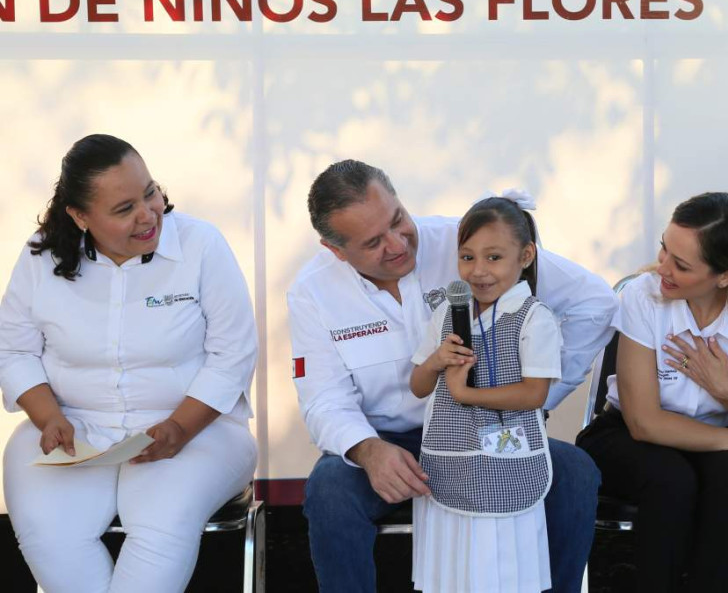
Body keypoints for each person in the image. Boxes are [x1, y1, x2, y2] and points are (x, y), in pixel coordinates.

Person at [288, 161, 617, 593]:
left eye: (397, 220)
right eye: (373, 242)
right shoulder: (312, 291)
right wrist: (367, 450)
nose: (397, 244)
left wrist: (532, 398)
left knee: (574, 472)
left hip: (487, 429)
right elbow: (323, 399)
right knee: (330, 489)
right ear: (336, 251)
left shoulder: (467, 241)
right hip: (390, 443)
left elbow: (595, 302)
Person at [0, 134, 258, 593]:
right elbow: (13, 349)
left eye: (150, 193)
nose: (148, 214)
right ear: (80, 217)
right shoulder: (41, 255)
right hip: (74, 429)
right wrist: (48, 418)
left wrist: (179, 427)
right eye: (124, 209)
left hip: (199, 430)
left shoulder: (201, 244)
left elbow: (232, 355)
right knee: (50, 535)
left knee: (159, 524)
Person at [576, 192, 728, 593]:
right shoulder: (643, 296)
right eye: (665, 248)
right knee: (671, 479)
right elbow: (644, 423)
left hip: (713, 436)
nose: (662, 267)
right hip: (625, 434)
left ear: (727, 275)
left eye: (680, 265)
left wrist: (725, 391)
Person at [410, 196, 558, 592]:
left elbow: (534, 394)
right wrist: (436, 361)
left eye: (494, 257)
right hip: (451, 460)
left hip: (507, 465)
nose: (478, 270)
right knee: (452, 572)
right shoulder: (447, 312)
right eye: (467, 257)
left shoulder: (534, 318)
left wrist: (466, 394)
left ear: (525, 256)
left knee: (500, 569)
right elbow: (418, 386)